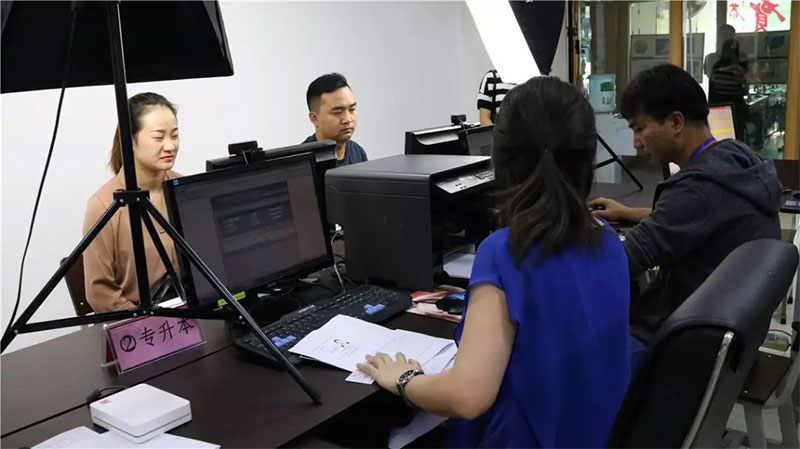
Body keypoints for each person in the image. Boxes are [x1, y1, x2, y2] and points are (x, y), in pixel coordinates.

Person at [358, 77, 631, 448]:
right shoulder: (609, 240)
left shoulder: (504, 251)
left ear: (500, 160)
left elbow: (467, 396)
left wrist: (404, 380)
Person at [590, 64, 781, 341]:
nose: (636, 143)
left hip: (676, 338)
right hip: (729, 330)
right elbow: (708, 215)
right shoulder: (738, 157)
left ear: (676, 123)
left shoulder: (695, 189)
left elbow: (622, 260)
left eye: (640, 128)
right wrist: (632, 213)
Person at [83, 92, 181, 313]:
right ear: (130, 140)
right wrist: (146, 322)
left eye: (174, 135)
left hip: (192, 313)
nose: (170, 146)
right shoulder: (103, 205)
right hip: (138, 322)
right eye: (159, 137)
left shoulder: (181, 188)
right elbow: (101, 294)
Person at [303, 73, 367, 166]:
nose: (348, 119)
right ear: (314, 118)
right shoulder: (302, 162)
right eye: (338, 112)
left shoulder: (357, 153)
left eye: (352, 109)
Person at [709, 39, 748, 139]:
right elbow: (744, 88)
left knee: (719, 137)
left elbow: (712, 86)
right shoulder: (738, 68)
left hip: (718, 106)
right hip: (735, 107)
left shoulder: (716, 66)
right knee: (737, 137)